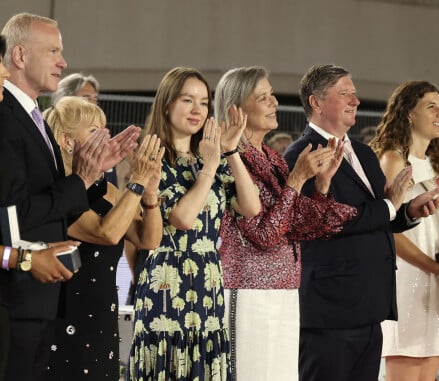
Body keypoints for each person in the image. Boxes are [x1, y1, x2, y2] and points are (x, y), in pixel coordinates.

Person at [0, 13, 138, 381]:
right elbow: (16, 213)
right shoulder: (6, 118)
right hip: (16, 301)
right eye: (53, 51)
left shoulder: (34, 119)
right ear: (20, 56)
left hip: (40, 300)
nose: (63, 61)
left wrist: (88, 175)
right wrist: (81, 179)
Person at [283, 64, 439, 381]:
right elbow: (329, 221)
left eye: (354, 94)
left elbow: (375, 216)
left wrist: (408, 212)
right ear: (315, 103)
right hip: (330, 309)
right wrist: (390, 206)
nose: (355, 101)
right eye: (344, 94)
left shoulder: (363, 153)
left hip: (369, 307)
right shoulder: (302, 155)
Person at [215, 66, 357, 380]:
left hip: (285, 291)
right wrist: (296, 179)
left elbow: (300, 225)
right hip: (250, 290)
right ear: (236, 109)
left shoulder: (271, 156)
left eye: (272, 95)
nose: (274, 102)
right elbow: (264, 234)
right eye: (262, 97)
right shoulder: (230, 158)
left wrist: (320, 185)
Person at [127, 67, 261, 380]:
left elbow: (252, 206)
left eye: (203, 102)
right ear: (166, 105)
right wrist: (211, 167)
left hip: (208, 289)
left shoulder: (209, 158)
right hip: (164, 291)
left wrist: (229, 151)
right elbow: (182, 219)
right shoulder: (151, 158)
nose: (197, 109)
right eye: (187, 100)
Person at [43, 96, 164, 380]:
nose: (106, 137)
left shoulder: (108, 191)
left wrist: (149, 193)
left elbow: (148, 239)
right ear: (68, 141)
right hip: (66, 313)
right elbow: (106, 233)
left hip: (101, 314)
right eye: (94, 130)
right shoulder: (59, 192)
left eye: (105, 128)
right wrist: (136, 181)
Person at [368, 80, 439, 381]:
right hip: (407, 281)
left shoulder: (435, 165)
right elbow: (387, 228)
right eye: (431, 106)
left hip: (436, 279)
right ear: (409, 113)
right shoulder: (394, 158)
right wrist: (435, 269)